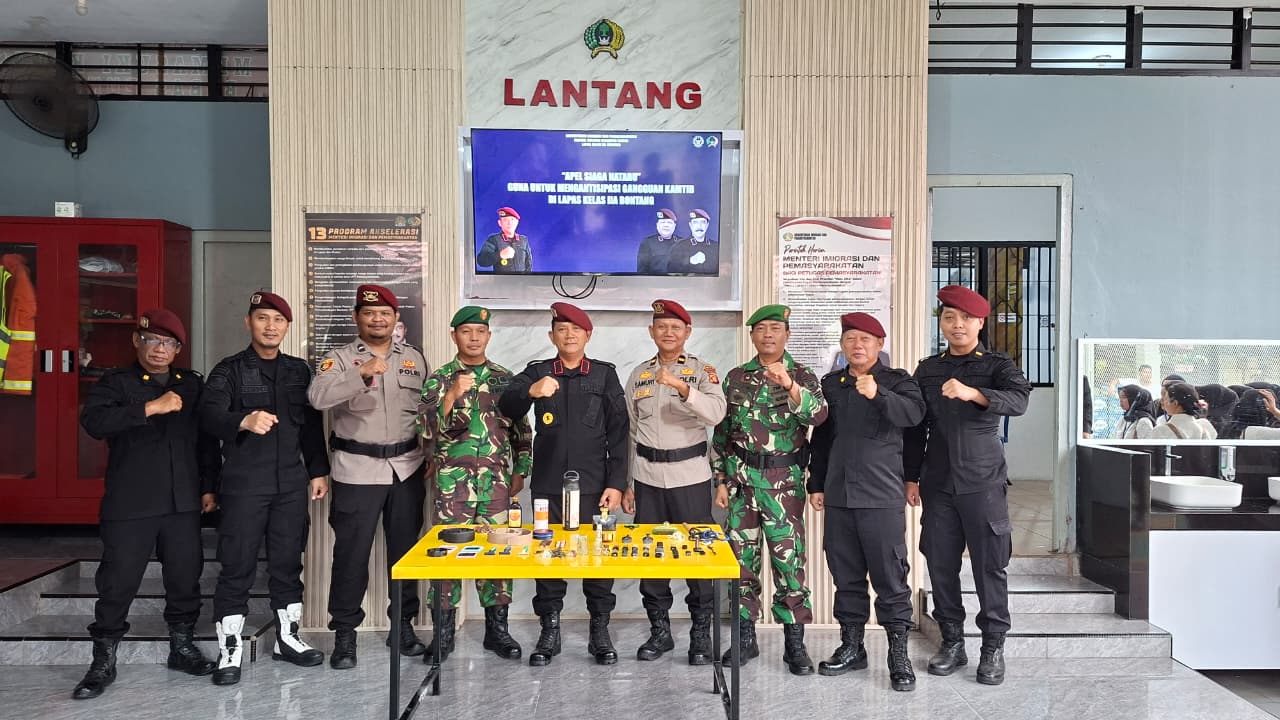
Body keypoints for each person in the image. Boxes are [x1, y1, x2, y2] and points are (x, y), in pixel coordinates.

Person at [72, 309, 220, 700]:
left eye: (169, 343)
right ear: (137, 341)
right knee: (117, 581)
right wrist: (149, 408)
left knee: (184, 578)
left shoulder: (191, 385)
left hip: (182, 501)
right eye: (152, 340)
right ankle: (103, 661)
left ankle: (182, 647)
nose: (159, 349)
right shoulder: (116, 382)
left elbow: (205, 441)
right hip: (131, 501)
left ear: (178, 349)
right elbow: (94, 423)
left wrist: (209, 487)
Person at [199, 292, 330, 686]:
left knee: (288, 563)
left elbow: (311, 427)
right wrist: (242, 420)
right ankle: (230, 649)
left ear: (287, 326)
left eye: (278, 320)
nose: (270, 326)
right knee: (237, 565)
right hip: (245, 484)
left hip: (290, 483)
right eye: (262, 318)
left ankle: (288, 639)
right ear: (248, 322)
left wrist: (318, 471)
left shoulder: (298, 371)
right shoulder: (229, 370)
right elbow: (207, 416)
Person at [904, 285, 1031, 687]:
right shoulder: (928, 369)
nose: (956, 325)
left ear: (979, 323)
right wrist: (911, 476)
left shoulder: (997, 364)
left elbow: (1019, 401)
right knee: (940, 563)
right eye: (949, 318)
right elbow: (916, 428)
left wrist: (974, 392)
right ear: (941, 323)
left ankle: (992, 647)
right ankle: (952, 642)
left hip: (983, 481)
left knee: (989, 565)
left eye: (965, 318)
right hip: (938, 483)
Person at [498, 302, 629, 666]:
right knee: (547, 556)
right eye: (561, 329)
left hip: (595, 485)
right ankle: (550, 630)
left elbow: (620, 432)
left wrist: (617, 483)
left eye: (576, 329)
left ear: (588, 335)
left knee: (599, 559)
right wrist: (530, 391)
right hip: (549, 485)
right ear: (551, 335)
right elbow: (506, 406)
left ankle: (599, 630)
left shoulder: (604, 375)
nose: (569, 335)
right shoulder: (538, 371)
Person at [307, 285, 429, 670]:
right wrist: (359, 373)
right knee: (351, 555)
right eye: (370, 312)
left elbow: (425, 411)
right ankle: (345, 633)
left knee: (406, 554)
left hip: (406, 468)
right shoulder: (339, 359)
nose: (378, 319)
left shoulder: (413, 358)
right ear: (356, 317)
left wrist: (430, 454)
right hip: (356, 470)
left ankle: (403, 626)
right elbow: (317, 399)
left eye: (385, 313)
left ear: (396, 318)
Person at [807, 312, 925, 692]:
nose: (857, 346)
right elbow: (822, 439)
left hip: (881, 496)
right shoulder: (832, 384)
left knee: (890, 577)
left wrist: (878, 394)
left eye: (865, 339)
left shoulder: (898, 382)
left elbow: (914, 419)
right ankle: (852, 647)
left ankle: (898, 654)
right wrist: (816, 483)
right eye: (850, 339)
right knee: (845, 576)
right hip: (839, 496)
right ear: (842, 345)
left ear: (879, 344)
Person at [711, 303, 828, 675]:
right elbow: (722, 435)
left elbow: (818, 415)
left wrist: (789, 385)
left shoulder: (803, 375)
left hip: (783, 488)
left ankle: (794, 644)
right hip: (741, 486)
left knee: (789, 565)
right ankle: (745, 638)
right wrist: (721, 479)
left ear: (787, 335)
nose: (768, 335)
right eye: (761, 329)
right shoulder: (736, 377)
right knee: (741, 565)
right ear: (752, 336)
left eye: (775, 329)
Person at [419, 305, 531, 662]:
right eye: (466, 331)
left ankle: (497, 631)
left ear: (488, 336)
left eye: (480, 332)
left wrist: (521, 469)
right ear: (454, 336)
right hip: (452, 485)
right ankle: (443, 634)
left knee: (497, 554)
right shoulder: (440, 379)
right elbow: (424, 431)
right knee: (446, 556)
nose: (473, 338)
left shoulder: (505, 379)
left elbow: (521, 430)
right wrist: (451, 395)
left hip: (496, 483)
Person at [620, 299, 726, 665]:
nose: (668, 332)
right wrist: (628, 482)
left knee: (698, 555)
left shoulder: (702, 372)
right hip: (647, 477)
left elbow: (716, 413)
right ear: (651, 332)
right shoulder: (639, 374)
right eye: (661, 326)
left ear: (687, 332)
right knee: (651, 555)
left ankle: (700, 634)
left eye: (675, 327)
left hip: (690, 476)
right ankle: (660, 632)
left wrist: (682, 388)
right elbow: (631, 432)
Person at [1151, 382, 1216, 439]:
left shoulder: (1160, 431)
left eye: (1165, 399)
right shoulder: (1205, 427)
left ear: (1175, 403)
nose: (1161, 402)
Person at [476, 207, 532, 273]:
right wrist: (500, 255)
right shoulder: (494, 239)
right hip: (501, 279)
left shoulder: (524, 240)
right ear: (500, 223)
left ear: (517, 222)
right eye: (505, 220)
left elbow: (528, 264)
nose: (509, 223)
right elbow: (481, 260)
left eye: (512, 219)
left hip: (521, 279)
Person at [667, 208, 719, 275]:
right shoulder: (678, 247)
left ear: (707, 225)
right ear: (690, 225)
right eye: (695, 222)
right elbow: (671, 271)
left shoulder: (716, 247)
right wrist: (690, 260)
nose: (699, 226)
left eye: (703, 222)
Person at [636, 208, 681, 274]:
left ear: (674, 226)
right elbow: (642, 272)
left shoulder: (681, 242)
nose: (666, 225)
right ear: (657, 225)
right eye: (662, 222)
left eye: (669, 222)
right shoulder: (648, 243)